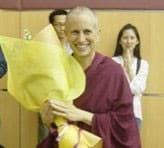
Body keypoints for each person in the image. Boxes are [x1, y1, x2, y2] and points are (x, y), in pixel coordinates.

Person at [38, 7, 141, 148]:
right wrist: (47, 119)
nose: (81, 39)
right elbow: (56, 121)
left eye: (87, 32)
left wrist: (83, 115)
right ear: (66, 34)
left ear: (98, 34)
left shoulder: (113, 71)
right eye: (75, 32)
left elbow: (124, 124)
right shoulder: (59, 71)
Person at [112, 23, 149, 128]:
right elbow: (114, 89)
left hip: (135, 115)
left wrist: (129, 69)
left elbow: (138, 90)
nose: (129, 41)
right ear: (120, 41)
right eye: (125, 38)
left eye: (132, 38)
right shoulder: (113, 62)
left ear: (137, 41)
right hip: (115, 114)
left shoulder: (143, 64)